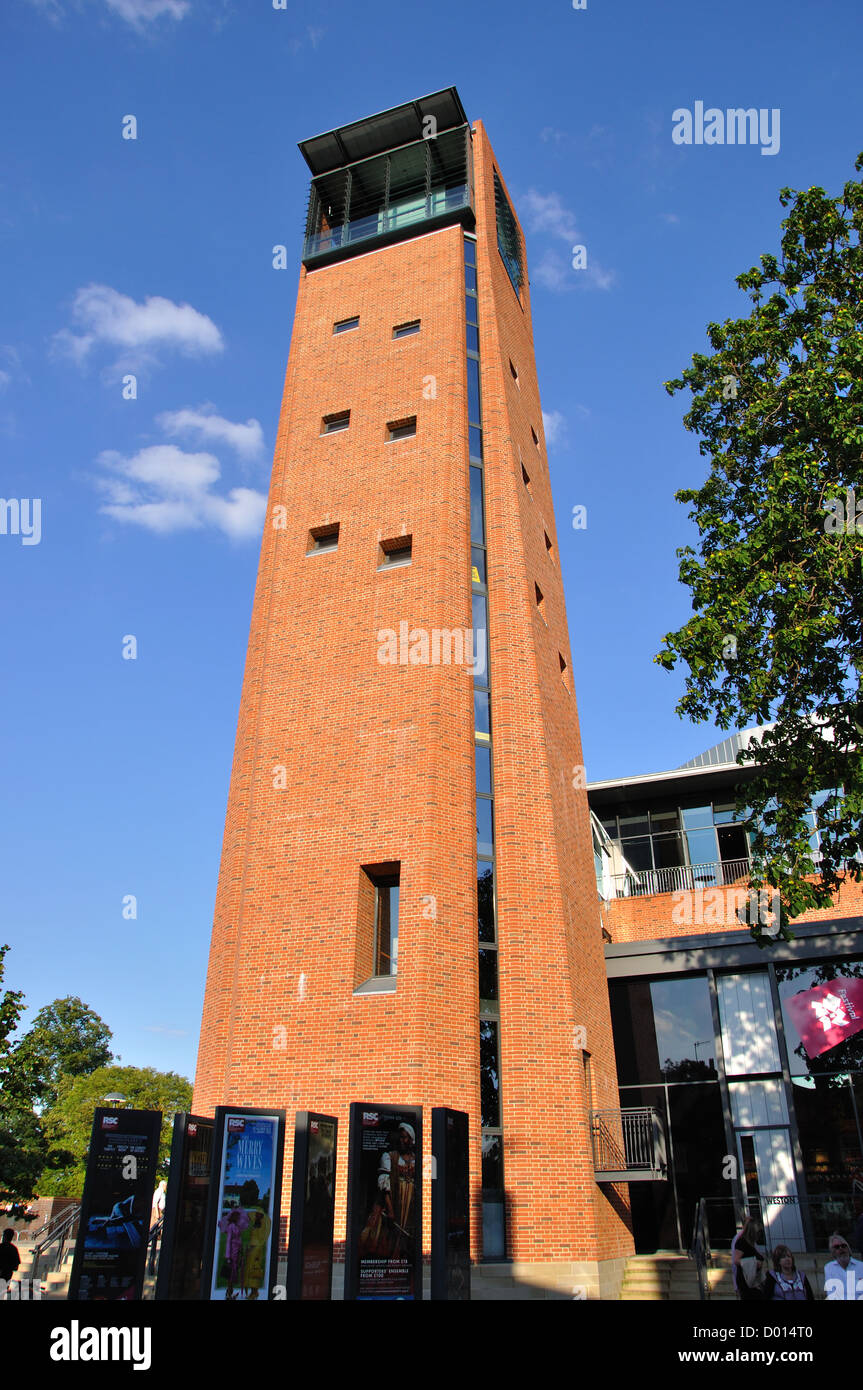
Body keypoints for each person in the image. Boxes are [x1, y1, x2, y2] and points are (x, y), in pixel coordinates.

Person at [359, 1122, 417, 1259]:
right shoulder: (390, 1157)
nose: (402, 1141)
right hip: (395, 1199)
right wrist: (390, 1210)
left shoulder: (416, 1159)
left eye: (405, 1138)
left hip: (410, 1203)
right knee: (391, 1235)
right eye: (401, 1137)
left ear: (411, 1140)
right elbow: (384, 1187)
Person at [217, 1207, 249, 1300]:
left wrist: (241, 1248)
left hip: (237, 1252)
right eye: (237, 1217)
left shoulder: (237, 1227)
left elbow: (238, 1239)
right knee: (230, 1273)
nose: (239, 1218)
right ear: (234, 1217)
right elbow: (228, 1241)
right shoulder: (231, 1226)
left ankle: (230, 1292)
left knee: (234, 1273)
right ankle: (229, 1292)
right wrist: (227, 1256)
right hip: (232, 1253)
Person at [731, 1214, 765, 1300]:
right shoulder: (741, 1241)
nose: (759, 1235)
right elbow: (736, 1260)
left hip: (754, 1280)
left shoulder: (752, 1243)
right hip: (746, 1281)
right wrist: (753, 1262)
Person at [823, 1232, 863, 1300]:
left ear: (848, 1248)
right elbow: (831, 1294)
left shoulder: (861, 1266)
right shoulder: (829, 1268)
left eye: (843, 1246)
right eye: (837, 1247)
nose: (841, 1248)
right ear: (833, 1251)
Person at [242, 1209, 272, 1300]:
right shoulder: (255, 1224)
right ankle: (253, 1291)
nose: (257, 1216)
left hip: (256, 1249)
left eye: (259, 1214)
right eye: (256, 1214)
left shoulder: (262, 1226)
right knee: (250, 1270)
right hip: (251, 1248)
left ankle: (254, 1291)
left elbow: (260, 1239)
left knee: (254, 1269)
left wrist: (253, 1247)